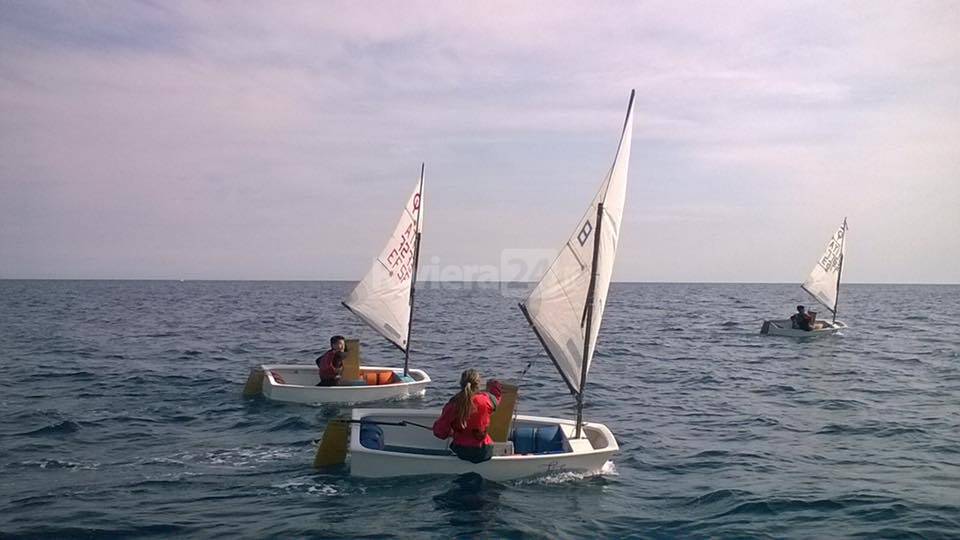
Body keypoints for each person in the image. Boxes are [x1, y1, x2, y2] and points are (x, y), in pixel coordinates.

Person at [432, 369, 503, 463]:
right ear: (478, 384)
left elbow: (440, 432)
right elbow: (496, 400)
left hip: (462, 451)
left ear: (461, 384)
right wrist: (495, 385)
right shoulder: (486, 400)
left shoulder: (453, 404)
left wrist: (448, 432)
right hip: (484, 451)